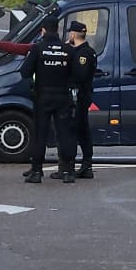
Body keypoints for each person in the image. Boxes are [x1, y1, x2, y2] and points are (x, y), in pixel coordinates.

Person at [24, 19, 79, 183]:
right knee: (64, 134)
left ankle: (36, 171)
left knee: (40, 135)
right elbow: (77, 74)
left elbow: (25, 72)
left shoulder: (37, 49)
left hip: (43, 96)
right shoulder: (68, 50)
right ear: (58, 29)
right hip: (62, 96)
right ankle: (68, 171)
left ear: (43, 31)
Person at [65, 17, 100, 180]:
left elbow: (79, 75)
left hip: (79, 97)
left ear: (73, 34)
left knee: (76, 131)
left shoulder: (83, 54)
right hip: (81, 96)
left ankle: (81, 166)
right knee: (82, 131)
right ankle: (86, 165)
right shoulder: (84, 51)